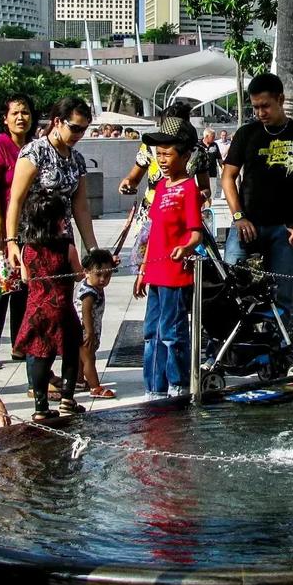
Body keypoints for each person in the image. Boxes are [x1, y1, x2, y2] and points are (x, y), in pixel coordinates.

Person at [222, 73, 293, 335]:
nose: (260, 112)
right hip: (246, 227)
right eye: (255, 107)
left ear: (280, 100)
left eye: (265, 106)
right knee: (234, 290)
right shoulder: (247, 134)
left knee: (284, 297)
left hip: (285, 230)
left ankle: (284, 349)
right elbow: (228, 177)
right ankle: (237, 347)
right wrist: (238, 216)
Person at [133, 120, 204, 400]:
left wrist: (185, 248)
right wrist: (142, 271)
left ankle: (177, 385)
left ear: (185, 156)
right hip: (155, 272)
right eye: (158, 154)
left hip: (175, 274)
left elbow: (196, 234)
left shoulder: (188, 189)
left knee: (172, 332)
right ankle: (153, 387)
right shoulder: (161, 186)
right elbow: (152, 235)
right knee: (151, 332)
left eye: (167, 154)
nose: (161, 160)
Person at [6, 96, 99, 272]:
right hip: (33, 243)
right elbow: (16, 200)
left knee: (62, 297)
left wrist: (93, 250)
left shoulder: (77, 159)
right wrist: (11, 243)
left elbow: (81, 208)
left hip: (63, 243)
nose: (79, 135)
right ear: (57, 121)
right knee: (30, 298)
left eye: (84, 129)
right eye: (75, 128)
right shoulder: (35, 152)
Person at [13, 194, 84, 421]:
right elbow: (79, 275)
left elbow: (25, 279)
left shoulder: (28, 249)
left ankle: (40, 407)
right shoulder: (67, 247)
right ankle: (66, 400)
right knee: (71, 353)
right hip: (61, 310)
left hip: (36, 312)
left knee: (39, 355)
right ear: (56, 221)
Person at [119, 104, 210, 270]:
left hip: (181, 218)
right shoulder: (150, 147)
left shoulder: (198, 152)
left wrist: (195, 199)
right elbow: (134, 177)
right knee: (147, 264)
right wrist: (128, 184)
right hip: (151, 214)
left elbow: (205, 188)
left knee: (175, 263)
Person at [0, 93, 38, 368]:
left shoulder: (35, 147)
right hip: (0, 231)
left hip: (29, 229)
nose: (21, 118)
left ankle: (22, 345)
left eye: (26, 112)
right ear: (5, 119)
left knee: (25, 288)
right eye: (15, 113)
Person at [76, 249, 116, 399]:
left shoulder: (93, 286)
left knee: (81, 358)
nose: (102, 279)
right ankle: (95, 387)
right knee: (89, 358)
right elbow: (86, 312)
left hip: (84, 329)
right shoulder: (89, 293)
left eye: (107, 275)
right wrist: (90, 331)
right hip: (84, 330)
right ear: (86, 271)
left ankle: (79, 381)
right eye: (98, 275)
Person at [201, 128, 223, 199]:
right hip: (201, 173)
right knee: (201, 190)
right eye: (212, 136)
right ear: (206, 136)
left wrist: (223, 168)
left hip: (212, 172)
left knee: (212, 189)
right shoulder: (198, 145)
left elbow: (219, 158)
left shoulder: (215, 145)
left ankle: (210, 204)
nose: (214, 138)